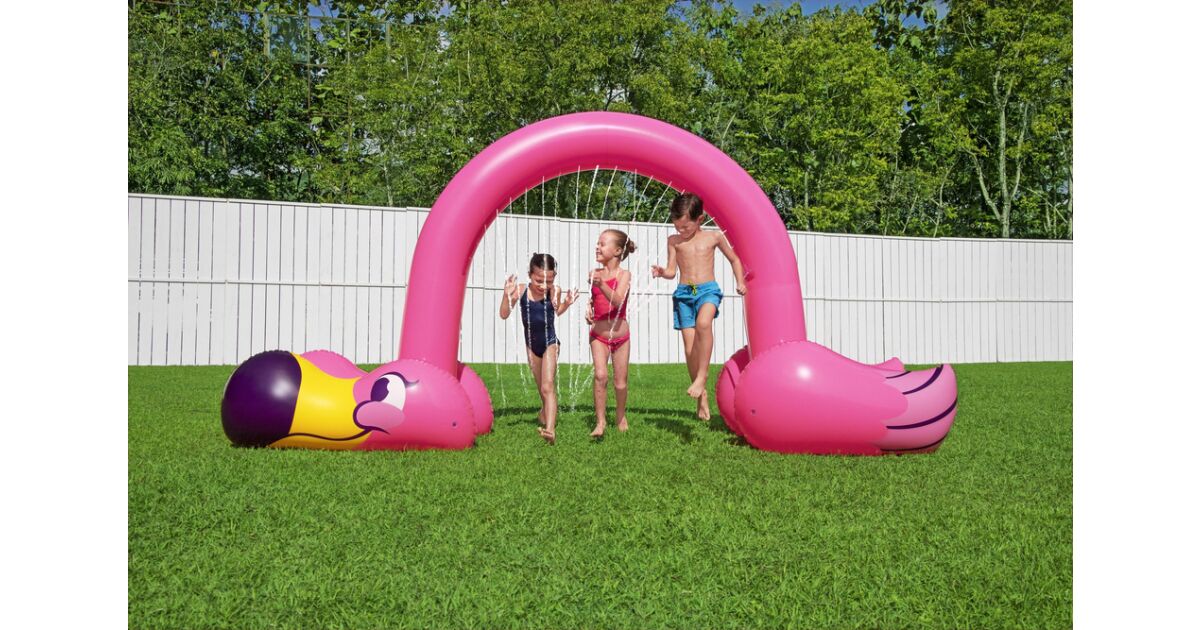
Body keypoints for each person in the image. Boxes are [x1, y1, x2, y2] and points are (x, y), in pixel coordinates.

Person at [651, 193, 746, 421]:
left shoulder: (714, 237)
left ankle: (702, 376)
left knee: (704, 323)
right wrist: (663, 272)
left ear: (700, 219)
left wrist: (740, 282)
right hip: (685, 293)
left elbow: (734, 259)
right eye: (677, 226)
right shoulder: (674, 241)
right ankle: (701, 395)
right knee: (689, 349)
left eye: (685, 226)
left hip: (707, 290)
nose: (681, 230)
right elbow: (672, 271)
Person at [499, 253, 579, 443]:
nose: (544, 285)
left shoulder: (554, 291)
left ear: (554, 277)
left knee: (547, 386)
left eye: (549, 281)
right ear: (530, 275)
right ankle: (545, 412)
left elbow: (557, 311)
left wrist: (566, 303)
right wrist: (506, 295)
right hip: (531, 346)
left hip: (550, 342)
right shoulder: (520, 291)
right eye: (538, 280)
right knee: (542, 390)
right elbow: (503, 314)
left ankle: (550, 430)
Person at [586, 229, 636, 437]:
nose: (597, 247)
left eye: (602, 244)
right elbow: (594, 299)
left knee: (620, 382)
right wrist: (588, 308)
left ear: (617, 251)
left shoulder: (625, 275)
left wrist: (601, 284)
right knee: (600, 376)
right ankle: (600, 422)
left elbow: (618, 301)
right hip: (599, 336)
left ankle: (620, 415)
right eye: (598, 243)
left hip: (621, 337)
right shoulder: (594, 274)